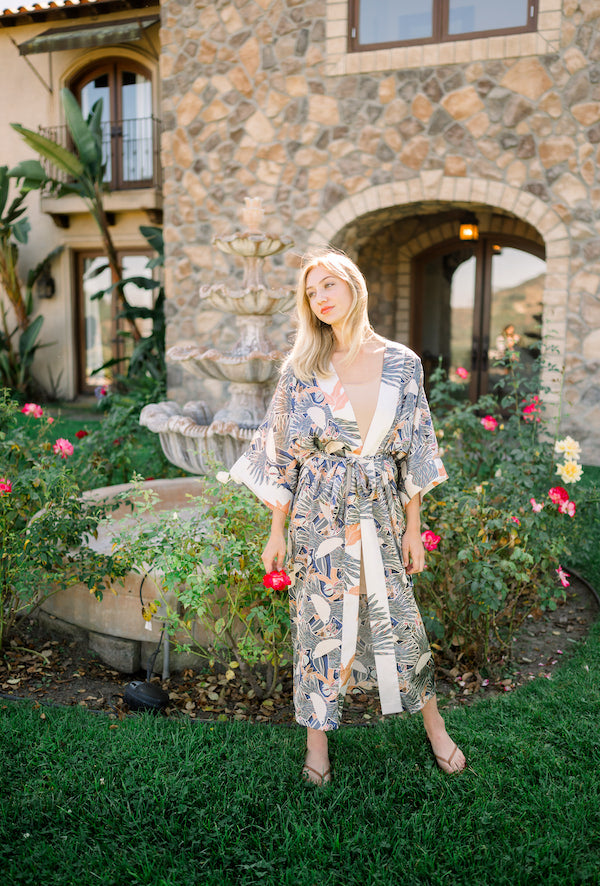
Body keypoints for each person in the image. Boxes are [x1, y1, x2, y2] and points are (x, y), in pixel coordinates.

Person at [230, 249, 466, 784]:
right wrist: (275, 531)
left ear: (354, 287)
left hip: (380, 505)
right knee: (318, 622)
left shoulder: (403, 363)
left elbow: (416, 450)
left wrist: (413, 528)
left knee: (399, 619)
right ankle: (317, 743)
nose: (320, 299)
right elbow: (283, 453)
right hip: (317, 510)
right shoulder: (302, 368)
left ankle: (435, 728)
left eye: (329, 285)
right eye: (311, 293)